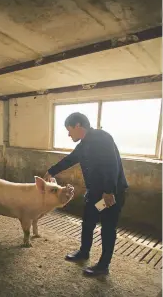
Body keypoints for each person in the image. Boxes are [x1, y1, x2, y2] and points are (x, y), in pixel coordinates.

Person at [44, 112, 128, 276]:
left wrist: (109, 191)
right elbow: (70, 159)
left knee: (107, 228)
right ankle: (84, 252)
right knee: (88, 222)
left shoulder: (102, 138)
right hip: (96, 193)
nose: (69, 134)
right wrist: (51, 171)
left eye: (69, 130)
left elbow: (111, 165)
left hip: (110, 195)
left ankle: (103, 266)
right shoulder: (84, 144)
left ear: (78, 126)